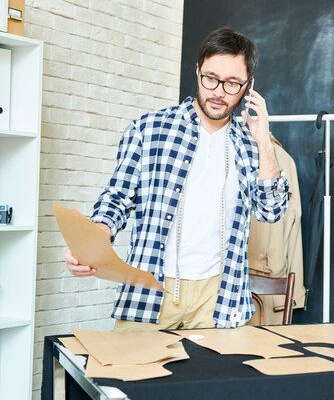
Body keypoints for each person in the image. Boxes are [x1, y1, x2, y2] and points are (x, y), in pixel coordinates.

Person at [64, 27, 289, 330]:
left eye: (233, 83)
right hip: (151, 288)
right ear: (197, 71)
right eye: (211, 78)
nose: (219, 91)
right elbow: (116, 199)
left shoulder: (251, 146)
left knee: (215, 378)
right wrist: (93, 241)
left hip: (220, 296)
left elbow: (271, 211)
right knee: (134, 375)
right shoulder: (149, 129)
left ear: (249, 86)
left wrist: (263, 140)